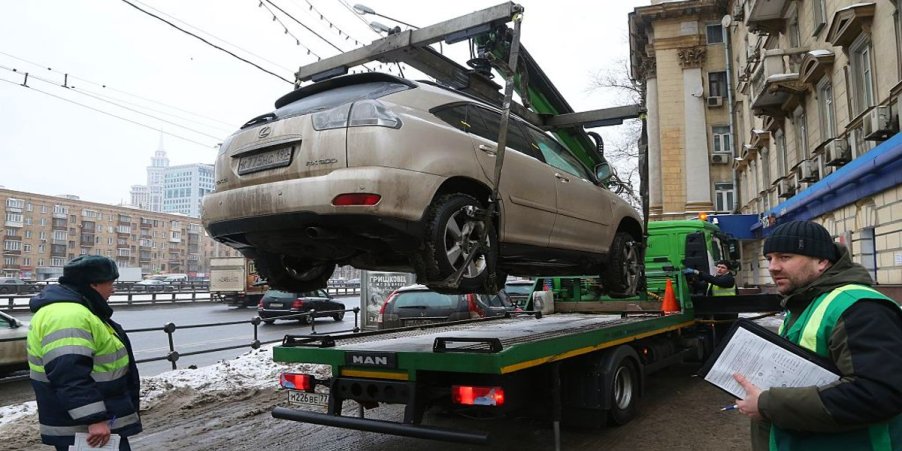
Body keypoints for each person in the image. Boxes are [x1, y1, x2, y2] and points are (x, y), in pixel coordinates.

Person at [732, 220, 902, 450]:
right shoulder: (802, 304)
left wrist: (767, 404)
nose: (773, 267)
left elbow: (877, 394)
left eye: (785, 257)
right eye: (769, 258)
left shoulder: (859, 307)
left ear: (822, 261)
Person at [27, 256, 142, 450]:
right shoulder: (69, 316)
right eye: (111, 283)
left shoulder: (79, 310)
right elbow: (69, 375)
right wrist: (94, 419)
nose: (113, 289)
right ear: (93, 284)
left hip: (92, 425)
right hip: (86, 431)